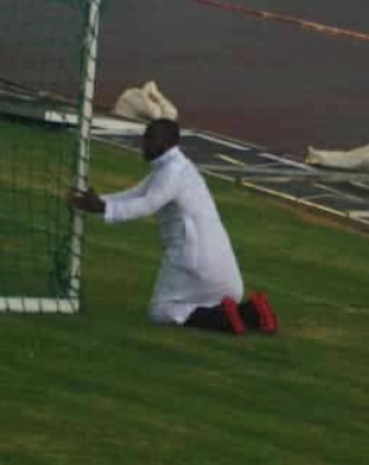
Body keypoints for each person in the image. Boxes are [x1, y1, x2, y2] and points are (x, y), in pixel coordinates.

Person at [68, 118, 278, 335]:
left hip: (193, 260)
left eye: (150, 137)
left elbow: (147, 204)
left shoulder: (172, 174)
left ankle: (225, 318)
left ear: (166, 142)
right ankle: (252, 311)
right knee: (211, 300)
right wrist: (97, 202)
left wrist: (102, 208)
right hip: (224, 269)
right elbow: (135, 194)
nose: (144, 143)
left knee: (160, 311)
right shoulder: (178, 168)